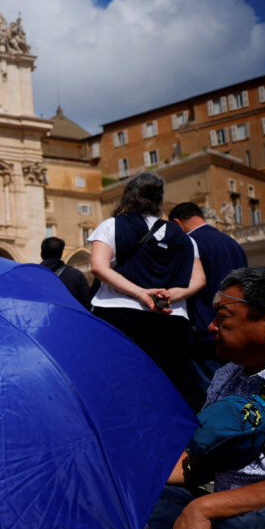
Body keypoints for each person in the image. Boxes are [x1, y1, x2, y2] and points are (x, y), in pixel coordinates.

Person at [150, 267, 265, 529]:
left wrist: (205, 509)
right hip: (222, 510)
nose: (211, 326)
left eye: (223, 317)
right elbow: (199, 461)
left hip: (251, 513)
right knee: (146, 502)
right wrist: (136, 475)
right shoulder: (226, 375)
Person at [88, 172, 205, 409]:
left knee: (119, 387)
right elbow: (199, 279)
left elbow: (98, 267)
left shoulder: (111, 225)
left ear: (129, 196)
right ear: (159, 200)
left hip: (119, 314)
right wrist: (172, 294)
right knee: (170, 389)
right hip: (171, 317)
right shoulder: (183, 237)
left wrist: (140, 293)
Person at [169, 201, 248, 397]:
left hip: (204, 332)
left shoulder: (189, 243)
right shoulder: (232, 243)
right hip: (237, 330)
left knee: (212, 394)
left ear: (177, 223)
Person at [39, 236, 91, 309]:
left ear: (41, 253)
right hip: (68, 315)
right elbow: (86, 302)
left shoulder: (32, 275)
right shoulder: (76, 275)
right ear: (61, 253)